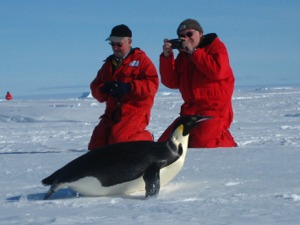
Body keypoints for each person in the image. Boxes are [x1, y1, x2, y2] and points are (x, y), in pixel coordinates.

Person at [158, 18, 237, 148]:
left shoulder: (216, 47)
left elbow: (218, 71)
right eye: (182, 36)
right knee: (166, 144)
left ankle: (230, 147)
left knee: (203, 143)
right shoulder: (183, 57)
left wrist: (193, 53)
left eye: (189, 34)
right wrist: (167, 57)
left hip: (214, 109)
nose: (186, 38)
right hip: (190, 110)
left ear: (200, 34)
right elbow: (171, 82)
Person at [88, 24, 159, 150]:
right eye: (112, 44)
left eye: (119, 44)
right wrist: (103, 88)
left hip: (134, 111)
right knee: (96, 146)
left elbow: (152, 85)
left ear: (129, 42)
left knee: (120, 140)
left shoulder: (141, 60)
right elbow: (95, 89)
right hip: (112, 112)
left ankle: (147, 139)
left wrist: (129, 87)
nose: (115, 48)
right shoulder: (109, 65)